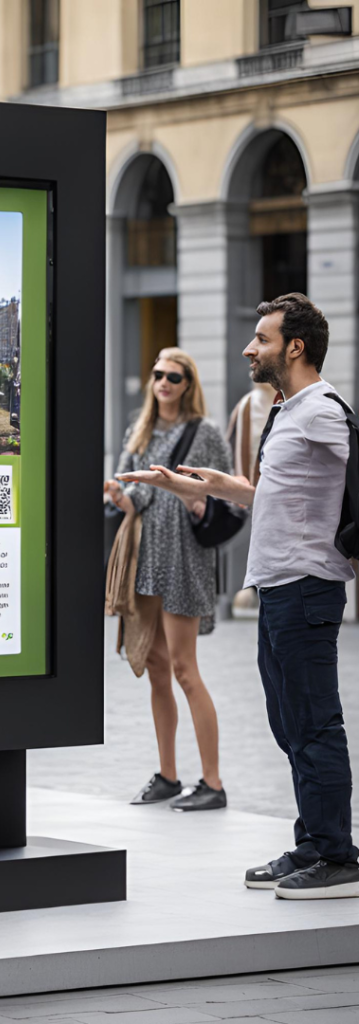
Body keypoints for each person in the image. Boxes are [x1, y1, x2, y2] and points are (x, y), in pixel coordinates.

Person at [119, 293, 359, 899]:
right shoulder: (287, 410)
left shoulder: (324, 411)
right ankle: (312, 843)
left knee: (315, 723)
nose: (251, 348)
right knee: (289, 723)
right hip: (278, 589)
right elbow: (268, 496)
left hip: (309, 586)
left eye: (262, 339)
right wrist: (196, 484)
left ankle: (339, 857)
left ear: (294, 347)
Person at [104, 348, 232, 812]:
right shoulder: (138, 430)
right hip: (144, 558)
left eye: (173, 377)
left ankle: (213, 784)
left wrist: (197, 501)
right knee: (157, 669)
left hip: (182, 557)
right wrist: (120, 495)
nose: (163, 382)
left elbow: (229, 497)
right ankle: (168, 775)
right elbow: (132, 498)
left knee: (185, 669)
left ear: (187, 384)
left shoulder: (205, 433)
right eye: (157, 374)